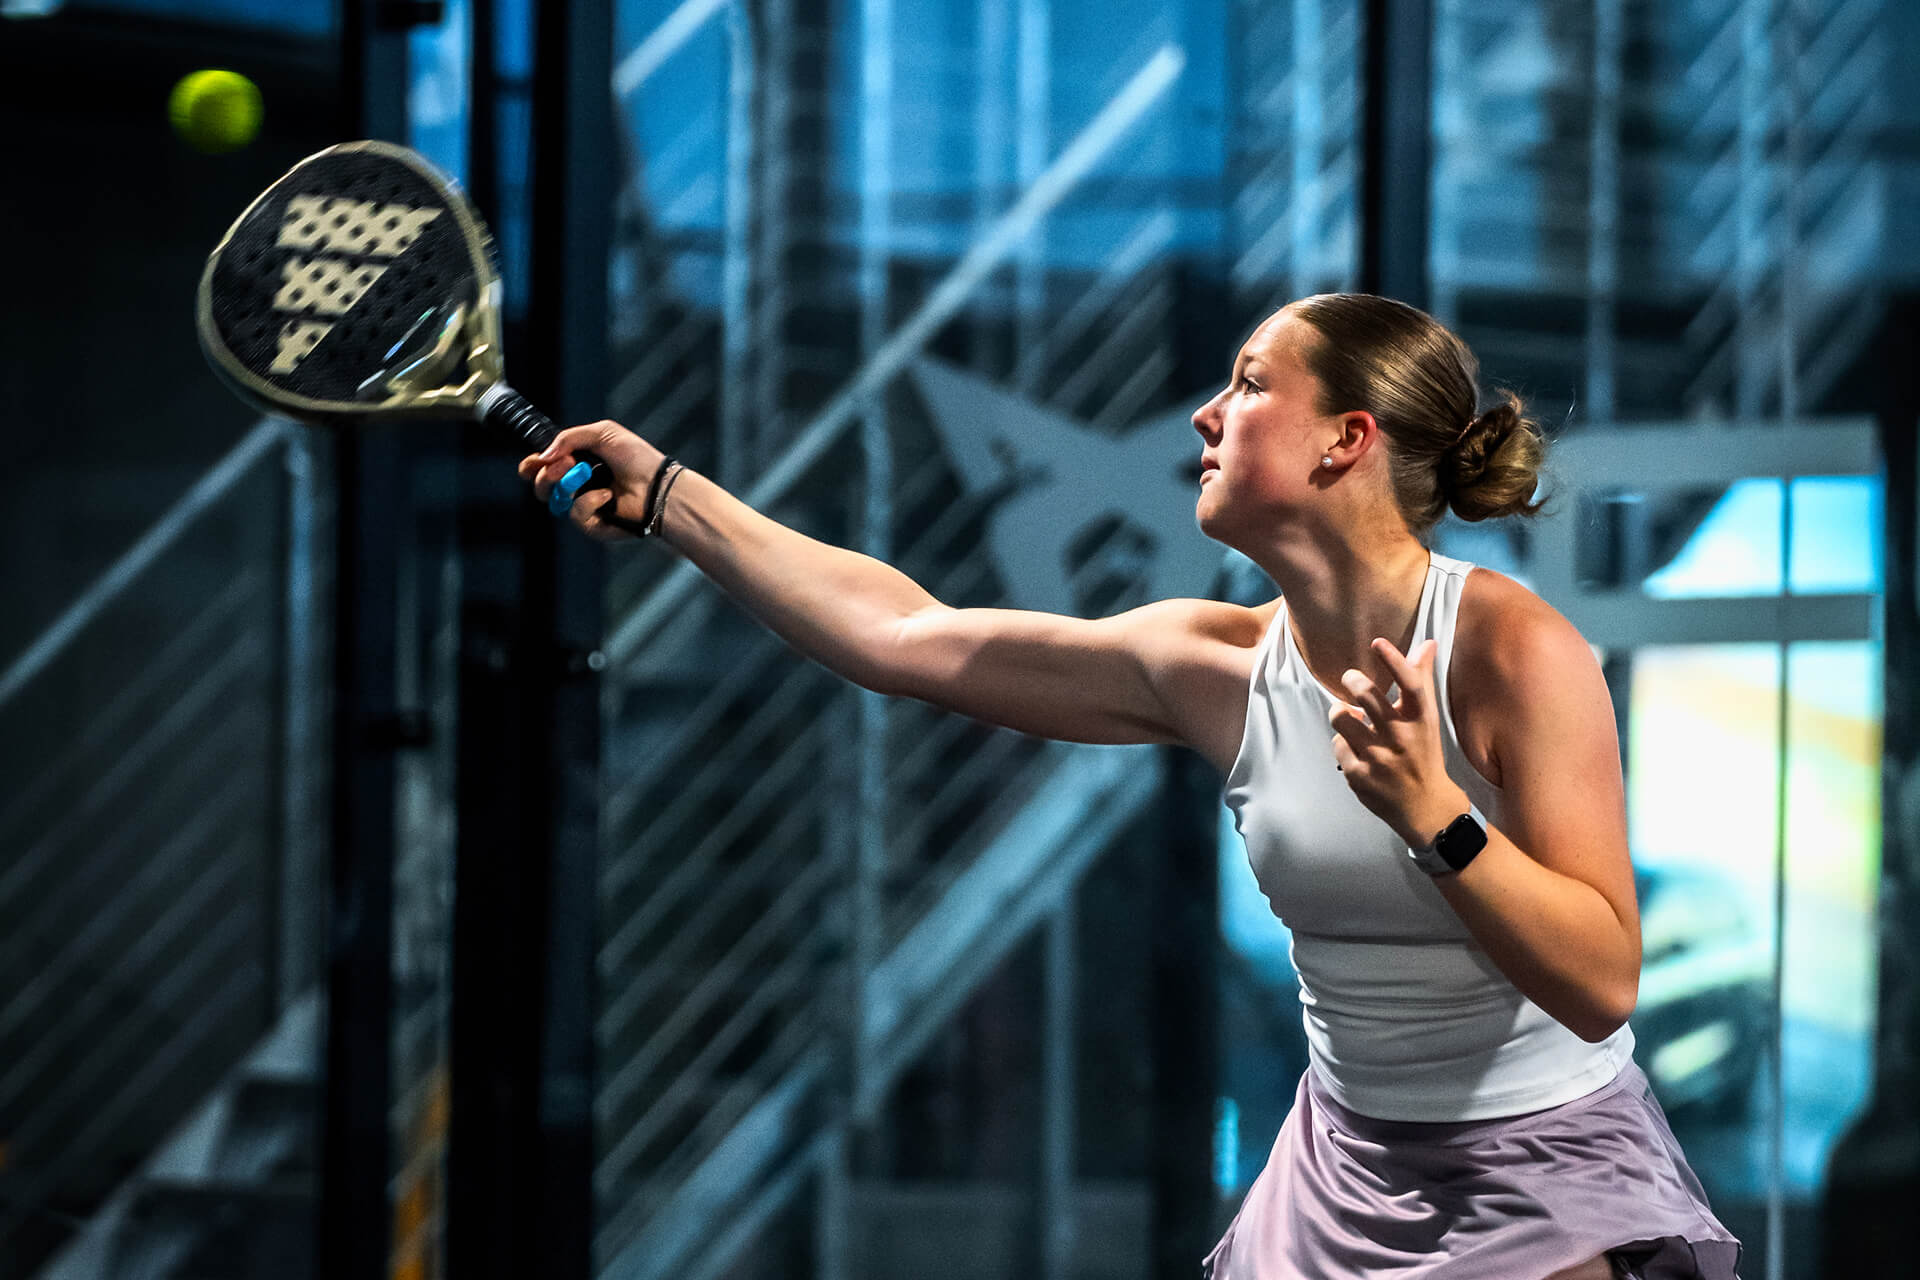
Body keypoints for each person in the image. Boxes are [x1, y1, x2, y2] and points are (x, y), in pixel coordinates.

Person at [520, 292, 1743, 1279]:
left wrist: (1439, 816)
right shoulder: (1204, 663)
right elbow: (903, 637)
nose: (1208, 414)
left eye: (1253, 383)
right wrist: (676, 497)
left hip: (1535, 1163)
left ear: (1348, 438)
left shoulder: (1514, 648)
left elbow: (1601, 980)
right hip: (1340, 1161)